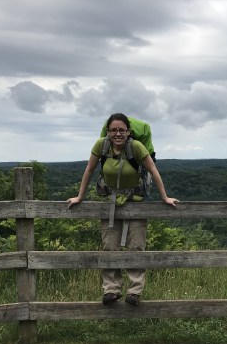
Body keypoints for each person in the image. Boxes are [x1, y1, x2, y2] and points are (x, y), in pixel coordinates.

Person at [67, 113, 179, 306]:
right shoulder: (101, 146)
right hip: (110, 202)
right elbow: (89, 170)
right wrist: (80, 197)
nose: (117, 133)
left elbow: (153, 171)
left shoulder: (136, 146)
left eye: (121, 130)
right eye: (113, 130)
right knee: (109, 246)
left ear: (128, 132)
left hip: (135, 201)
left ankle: (134, 291)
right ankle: (111, 290)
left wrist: (164, 197)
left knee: (136, 246)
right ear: (108, 132)